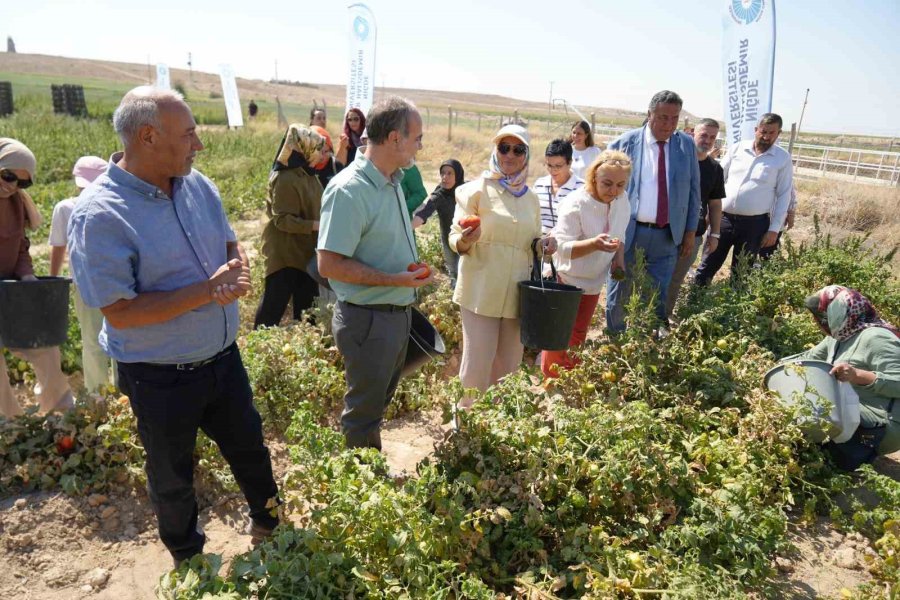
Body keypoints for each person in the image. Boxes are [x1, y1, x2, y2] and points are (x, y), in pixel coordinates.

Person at [67, 87, 280, 566]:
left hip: (223, 359)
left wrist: (236, 264)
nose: (198, 146)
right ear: (147, 137)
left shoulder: (198, 186)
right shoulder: (100, 215)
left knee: (250, 449)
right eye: (188, 135)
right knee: (172, 475)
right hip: (159, 375)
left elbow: (229, 244)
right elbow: (119, 311)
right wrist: (209, 290)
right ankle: (189, 560)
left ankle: (269, 523)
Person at [317, 96, 433, 450]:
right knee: (363, 414)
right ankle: (360, 487)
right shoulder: (350, 190)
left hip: (393, 316)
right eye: (417, 137)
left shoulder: (393, 180)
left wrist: (406, 274)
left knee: (376, 405)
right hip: (367, 320)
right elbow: (329, 264)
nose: (420, 145)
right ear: (395, 138)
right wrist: (395, 280)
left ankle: (365, 478)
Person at [449, 124, 557, 401]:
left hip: (516, 294)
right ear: (495, 150)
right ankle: (466, 427)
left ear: (527, 154)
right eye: (503, 147)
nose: (510, 154)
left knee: (508, 367)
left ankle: (497, 428)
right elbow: (455, 237)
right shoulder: (474, 191)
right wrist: (467, 239)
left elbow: (533, 240)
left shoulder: (531, 200)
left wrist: (543, 244)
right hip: (480, 290)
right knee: (476, 364)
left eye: (518, 149)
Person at [605, 90, 700, 333]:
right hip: (629, 232)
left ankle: (650, 342)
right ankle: (616, 339)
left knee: (658, 291)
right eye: (663, 117)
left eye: (674, 118)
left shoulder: (685, 145)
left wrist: (690, 231)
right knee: (619, 289)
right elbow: (602, 190)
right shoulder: (624, 143)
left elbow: (693, 191)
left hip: (667, 235)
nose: (669, 124)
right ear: (649, 115)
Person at [0, 138, 75, 419]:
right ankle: (9, 424)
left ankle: (60, 411)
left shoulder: (16, 203)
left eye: (22, 183)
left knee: (44, 347)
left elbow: (20, 246)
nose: (12, 186)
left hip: (10, 291)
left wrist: (27, 275)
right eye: (8, 176)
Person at [788, 285, 900, 470]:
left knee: (811, 409)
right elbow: (807, 359)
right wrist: (768, 366)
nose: (817, 323)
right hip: (853, 411)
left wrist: (858, 375)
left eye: (820, 317)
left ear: (837, 313)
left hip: (883, 424)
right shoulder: (839, 336)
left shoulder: (877, 338)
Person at [541, 151, 631, 378]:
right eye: (607, 184)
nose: (614, 191)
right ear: (593, 179)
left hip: (593, 280)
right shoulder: (577, 202)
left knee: (578, 332)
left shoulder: (622, 200)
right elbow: (560, 247)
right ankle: (551, 383)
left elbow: (619, 235)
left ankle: (570, 380)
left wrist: (618, 263)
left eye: (620, 185)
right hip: (566, 279)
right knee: (558, 334)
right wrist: (594, 244)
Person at [694, 113, 793, 285]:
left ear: (778, 134)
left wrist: (774, 229)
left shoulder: (782, 159)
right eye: (763, 131)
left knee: (742, 272)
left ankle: (734, 310)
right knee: (707, 264)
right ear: (756, 130)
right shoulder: (738, 148)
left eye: (771, 133)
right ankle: (694, 299)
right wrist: (708, 212)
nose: (766, 136)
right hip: (724, 220)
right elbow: (718, 178)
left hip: (754, 225)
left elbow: (785, 194)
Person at [48, 155, 114, 394]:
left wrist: (53, 281)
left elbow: (58, 249)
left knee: (93, 342)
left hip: (86, 285)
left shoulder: (65, 207)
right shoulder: (113, 204)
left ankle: (98, 395)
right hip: (116, 282)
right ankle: (121, 395)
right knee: (120, 338)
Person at [253, 125, 325, 329]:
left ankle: (307, 348)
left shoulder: (309, 174)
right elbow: (282, 220)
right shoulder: (285, 178)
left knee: (308, 311)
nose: (323, 154)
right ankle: (258, 346)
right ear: (305, 148)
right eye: (320, 149)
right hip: (284, 254)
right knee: (272, 308)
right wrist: (317, 225)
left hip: (304, 251)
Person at [664, 118, 725, 318]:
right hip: (665, 231)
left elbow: (715, 204)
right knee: (653, 276)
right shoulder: (675, 161)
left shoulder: (715, 169)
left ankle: (662, 319)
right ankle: (642, 319)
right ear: (693, 134)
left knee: (676, 278)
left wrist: (714, 234)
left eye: (712, 137)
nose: (707, 140)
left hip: (693, 235)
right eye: (704, 134)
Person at [411, 159, 465, 288]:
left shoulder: (466, 191)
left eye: (449, 173)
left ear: (458, 175)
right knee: (455, 273)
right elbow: (423, 213)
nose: (444, 177)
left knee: (467, 273)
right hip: (450, 242)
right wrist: (406, 229)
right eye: (442, 173)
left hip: (468, 239)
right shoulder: (439, 195)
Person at [533, 138, 584, 234]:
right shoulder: (539, 185)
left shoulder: (582, 189)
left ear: (569, 163)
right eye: (549, 165)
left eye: (558, 166)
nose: (553, 170)